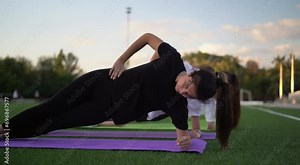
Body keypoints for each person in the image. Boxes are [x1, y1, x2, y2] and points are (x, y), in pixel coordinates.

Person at [0, 33, 239, 149]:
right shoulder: (172, 58)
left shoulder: (178, 104)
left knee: (54, 123)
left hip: (103, 109)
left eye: (189, 94)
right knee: (50, 108)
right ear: (191, 73)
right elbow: (147, 37)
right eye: (187, 85)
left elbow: (180, 135)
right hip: (99, 81)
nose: (183, 91)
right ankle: (4, 128)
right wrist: (122, 59)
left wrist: (185, 140)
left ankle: (8, 135)